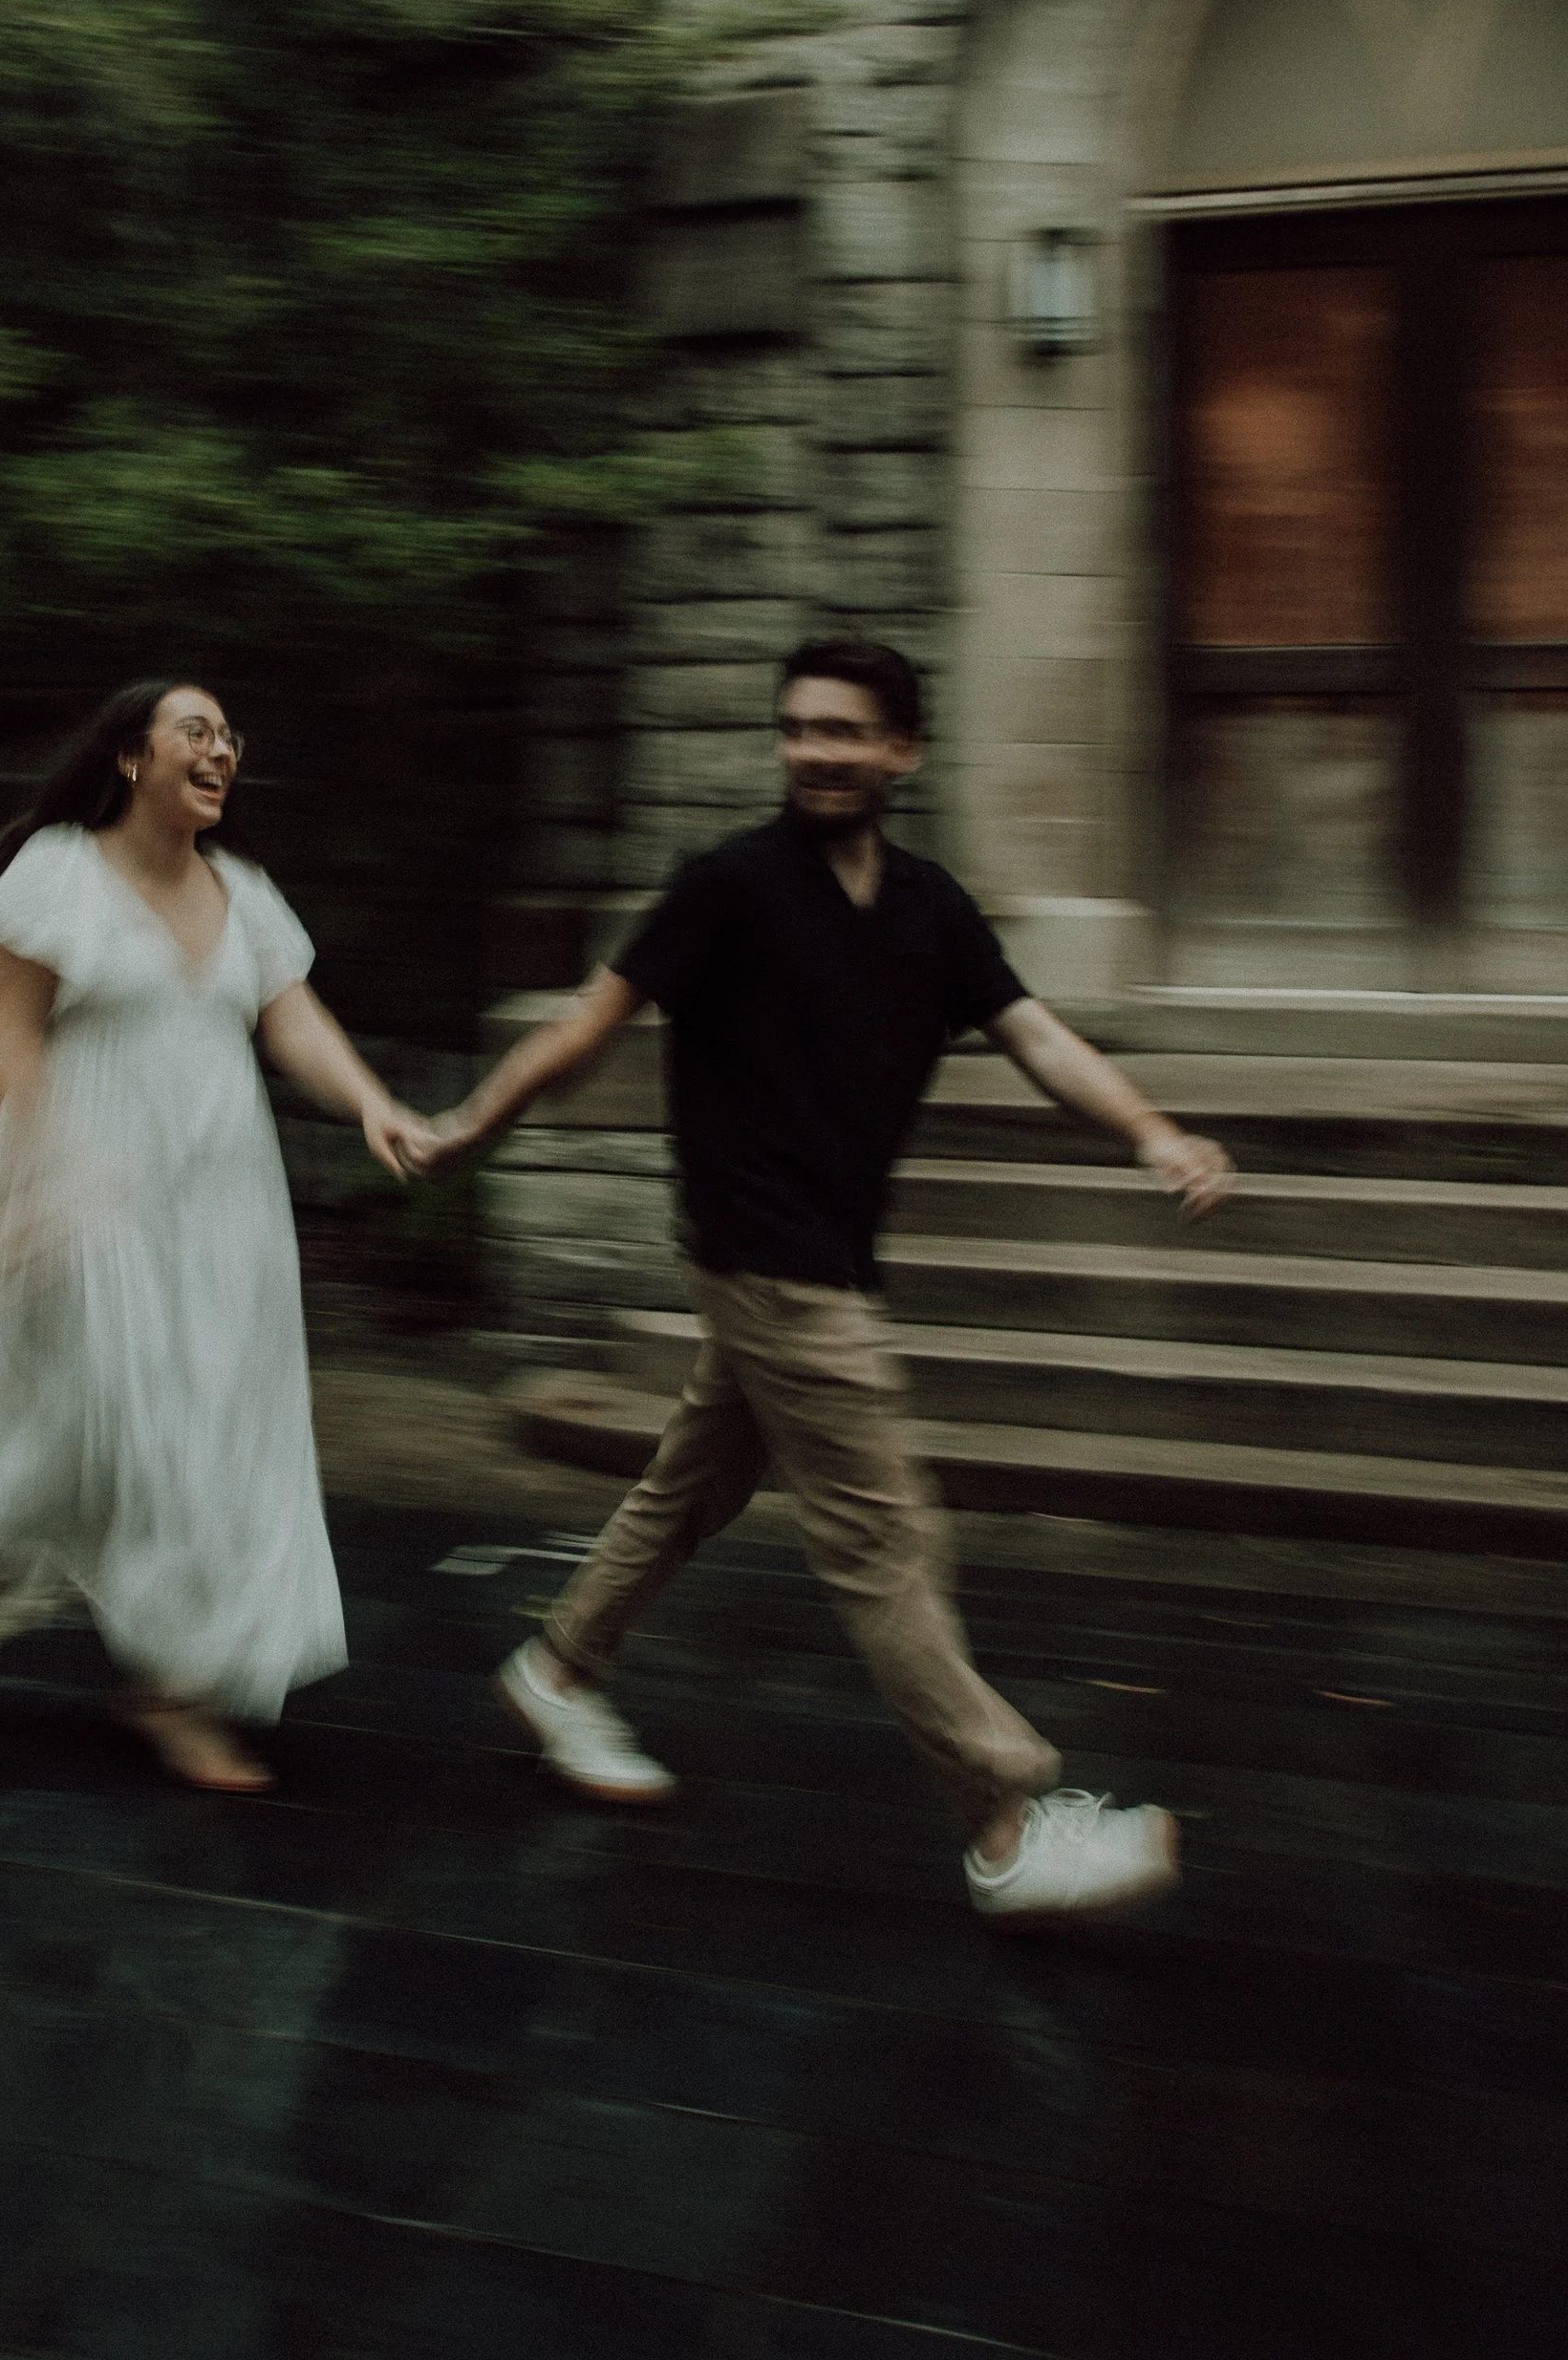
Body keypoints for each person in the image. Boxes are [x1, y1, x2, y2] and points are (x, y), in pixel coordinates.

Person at [405, 633, 1235, 1925]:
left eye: (844, 730)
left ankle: (557, 1667)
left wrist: (1150, 1129)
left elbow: (1039, 1036)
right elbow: (586, 1022)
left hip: (823, 1245)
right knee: (885, 1530)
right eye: (799, 727)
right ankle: (1007, 1821)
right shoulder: (730, 885)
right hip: (763, 1247)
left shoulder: (931, 910)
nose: (816, 750)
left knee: (699, 1477)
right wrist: (472, 1127)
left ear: (900, 749)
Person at [0, 676, 419, 1792]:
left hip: (221, 1199)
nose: (221, 749)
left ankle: (137, 1664)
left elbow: (290, 1014)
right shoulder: (58, 873)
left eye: (232, 735)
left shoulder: (244, 891)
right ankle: (28, 1600)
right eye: (196, 730)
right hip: (84, 1184)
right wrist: (30, 1166)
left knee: (205, 1426)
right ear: (131, 760)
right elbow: (7, 1037)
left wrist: (373, 1101)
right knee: (101, 1418)